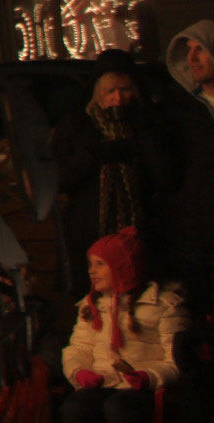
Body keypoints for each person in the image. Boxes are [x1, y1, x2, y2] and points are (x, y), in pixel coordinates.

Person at [60, 227, 187, 423]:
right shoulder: (91, 305)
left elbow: (176, 361)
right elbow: (78, 348)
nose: (92, 271)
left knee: (121, 408)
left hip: (141, 388)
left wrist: (148, 377)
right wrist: (79, 372)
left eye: (100, 264)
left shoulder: (163, 305)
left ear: (122, 267)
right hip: (103, 381)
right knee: (76, 407)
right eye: (90, 265)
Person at [53, 53, 177, 299]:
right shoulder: (78, 124)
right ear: (98, 92)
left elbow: (166, 178)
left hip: (140, 230)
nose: (117, 98)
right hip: (91, 230)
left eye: (125, 90)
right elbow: (60, 178)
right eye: (111, 91)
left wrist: (143, 137)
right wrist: (96, 155)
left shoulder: (150, 123)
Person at [163, 21, 214, 304]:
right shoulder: (180, 112)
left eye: (200, 49)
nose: (192, 58)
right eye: (188, 51)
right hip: (200, 234)